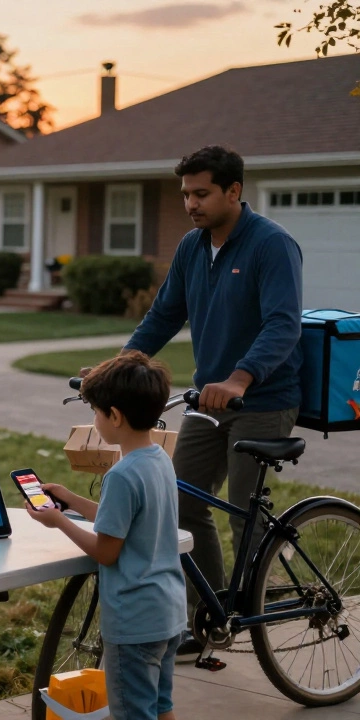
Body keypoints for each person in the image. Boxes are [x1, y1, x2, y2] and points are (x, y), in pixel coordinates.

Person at [119, 145, 303, 655]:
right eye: (186, 194)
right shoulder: (192, 246)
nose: (191, 204)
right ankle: (213, 615)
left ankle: (254, 610)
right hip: (209, 400)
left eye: (201, 194)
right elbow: (164, 314)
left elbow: (283, 324)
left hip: (263, 398)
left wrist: (241, 379)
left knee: (245, 512)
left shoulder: (271, 244)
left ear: (233, 191)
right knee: (181, 501)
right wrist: (122, 365)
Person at [29, 352, 186, 720]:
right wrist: (70, 499)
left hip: (134, 623)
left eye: (95, 412)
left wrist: (58, 521)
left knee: (132, 713)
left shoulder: (121, 475)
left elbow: (106, 551)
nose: (94, 420)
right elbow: (124, 520)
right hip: (168, 613)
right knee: (160, 706)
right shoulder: (159, 459)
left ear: (114, 416)